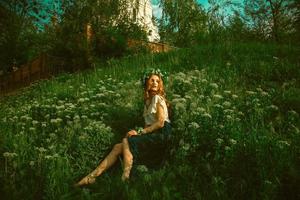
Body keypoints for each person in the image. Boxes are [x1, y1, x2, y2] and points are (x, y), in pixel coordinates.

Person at [75, 68, 172, 186]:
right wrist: (138, 132)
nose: (155, 83)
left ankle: (125, 177)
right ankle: (92, 176)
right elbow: (147, 125)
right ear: (146, 83)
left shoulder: (157, 98)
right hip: (152, 133)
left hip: (162, 134)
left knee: (126, 141)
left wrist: (140, 132)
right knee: (117, 147)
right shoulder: (147, 103)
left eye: (157, 81)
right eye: (152, 80)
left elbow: (161, 122)